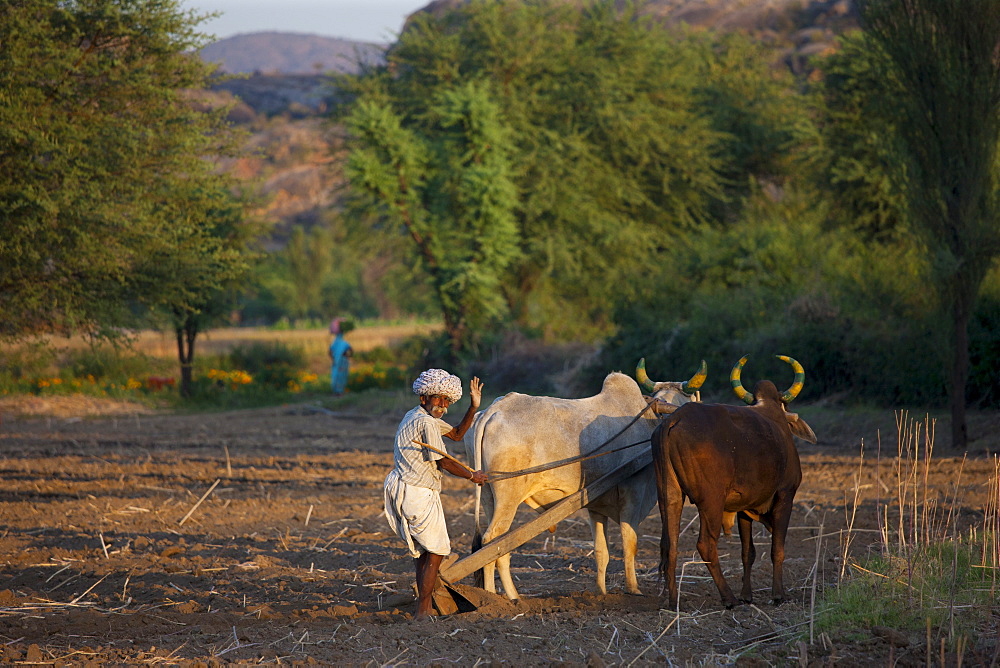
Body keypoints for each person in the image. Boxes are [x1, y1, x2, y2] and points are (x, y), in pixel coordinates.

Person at [383, 368, 488, 620]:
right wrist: (473, 475)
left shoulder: (415, 415)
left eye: (446, 401)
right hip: (417, 491)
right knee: (438, 550)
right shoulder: (426, 422)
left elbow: (456, 434)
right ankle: (422, 611)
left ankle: (425, 605)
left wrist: (473, 406)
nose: (442, 405)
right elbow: (443, 461)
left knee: (424, 551)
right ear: (424, 398)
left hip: (405, 487)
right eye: (437, 399)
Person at [328, 318, 352, 396]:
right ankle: (339, 391)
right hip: (343, 361)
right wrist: (347, 356)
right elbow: (351, 351)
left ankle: (337, 391)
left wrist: (334, 359)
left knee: (336, 376)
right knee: (341, 376)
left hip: (337, 361)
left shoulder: (335, 343)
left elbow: (330, 352)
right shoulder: (344, 343)